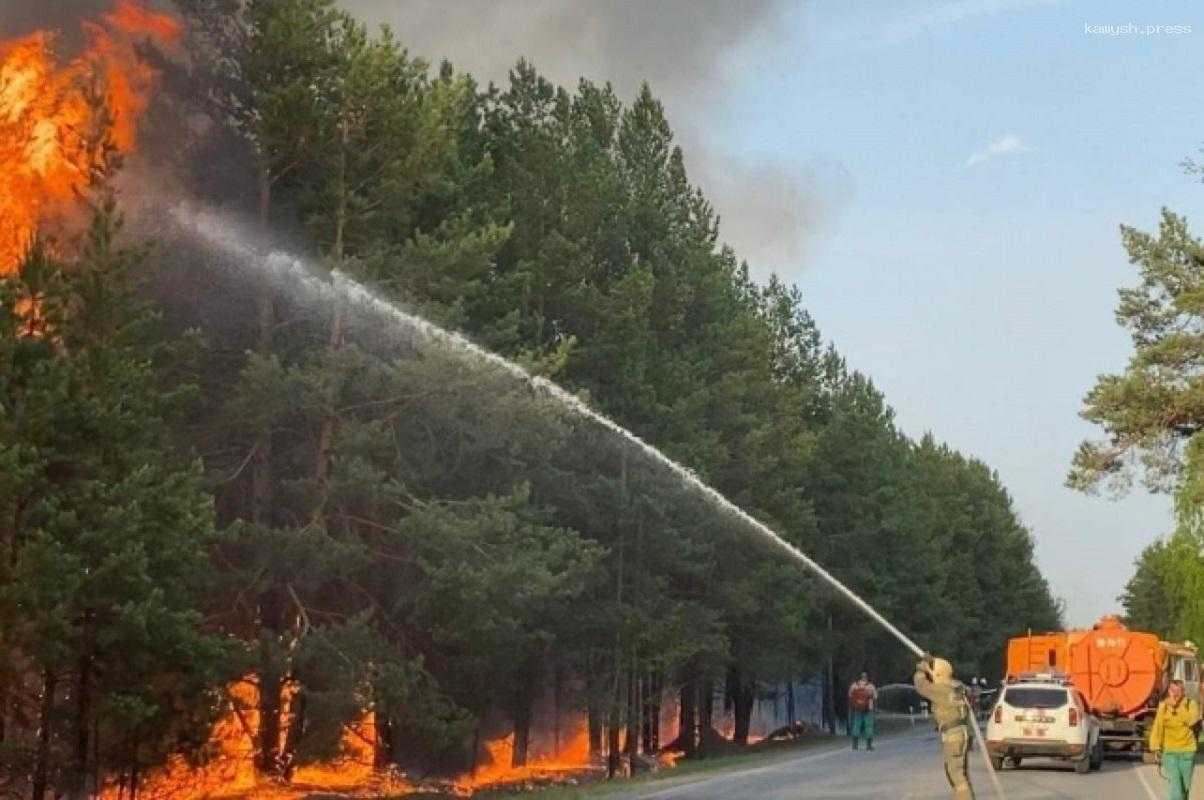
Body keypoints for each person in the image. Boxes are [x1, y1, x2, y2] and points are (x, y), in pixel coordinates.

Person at [914, 654, 975, 800]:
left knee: (956, 774)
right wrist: (931, 665)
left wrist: (921, 669)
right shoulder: (957, 687)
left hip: (953, 736)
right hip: (963, 733)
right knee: (960, 772)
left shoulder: (941, 690)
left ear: (938, 674)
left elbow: (921, 686)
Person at [1150, 679, 1201, 800]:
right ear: (1168, 691)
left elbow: (1191, 720)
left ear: (1183, 692)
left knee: (1185, 787)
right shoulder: (1163, 706)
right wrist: (1156, 747)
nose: (1175, 694)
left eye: (1178, 691)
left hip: (1187, 752)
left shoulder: (1191, 704)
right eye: (1172, 691)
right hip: (1170, 752)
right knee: (1176, 786)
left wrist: (1177, 707)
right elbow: (1158, 726)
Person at [848, 672, 878, 750]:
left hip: (857, 709)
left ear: (860, 677)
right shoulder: (871, 686)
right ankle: (868, 746)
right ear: (867, 677)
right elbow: (875, 697)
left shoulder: (854, 685)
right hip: (869, 709)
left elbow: (850, 695)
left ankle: (855, 745)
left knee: (856, 725)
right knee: (868, 726)